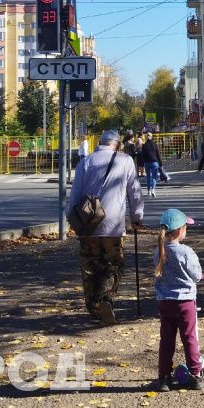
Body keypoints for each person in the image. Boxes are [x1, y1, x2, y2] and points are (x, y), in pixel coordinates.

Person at [66, 130, 144, 326]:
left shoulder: (86, 162)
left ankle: (94, 310)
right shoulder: (125, 161)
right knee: (113, 264)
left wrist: (72, 219)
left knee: (90, 267)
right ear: (116, 144)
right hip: (114, 225)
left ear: (99, 143)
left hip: (89, 223)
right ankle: (106, 300)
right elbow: (134, 192)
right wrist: (137, 217)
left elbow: (75, 193)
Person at [153, 208, 204, 391]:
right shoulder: (186, 252)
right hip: (185, 302)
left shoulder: (159, 251)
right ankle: (196, 373)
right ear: (180, 231)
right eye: (186, 227)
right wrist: (200, 276)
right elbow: (195, 275)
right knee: (189, 338)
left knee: (167, 339)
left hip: (165, 302)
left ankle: (163, 377)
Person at [141, 132, 163, 198]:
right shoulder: (155, 145)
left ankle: (148, 191)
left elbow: (143, 155)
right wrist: (161, 164)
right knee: (154, 177)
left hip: (147, 163)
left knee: (148, 177)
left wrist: (143, 164)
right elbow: (158, 155)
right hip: (154, 162)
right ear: (151, 137)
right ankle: (153, 190)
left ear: (146, 137)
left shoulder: (144, 145)